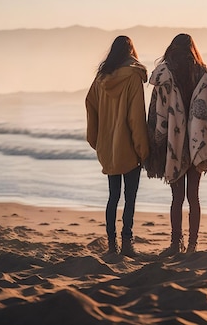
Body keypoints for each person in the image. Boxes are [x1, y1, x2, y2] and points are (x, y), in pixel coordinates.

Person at [145, 33, 207, 255]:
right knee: (193, 196)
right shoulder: (202, 73)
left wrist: (155, 141)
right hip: (197, 143)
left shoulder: (164, 74)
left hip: (173, 143)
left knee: (177, 197)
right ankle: (193, 245)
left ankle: (176, 243)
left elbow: (156, 112)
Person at [85, 35, 149, 257]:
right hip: (129, 148)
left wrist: (96, 139)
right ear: (131, 51)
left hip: (109, 147)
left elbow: (90, 105)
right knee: (130, 197)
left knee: (113, 196)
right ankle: (127, 244)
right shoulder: (133, 77)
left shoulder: (101, 78)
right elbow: (136, 118)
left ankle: (112, 245)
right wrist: (143, 150)